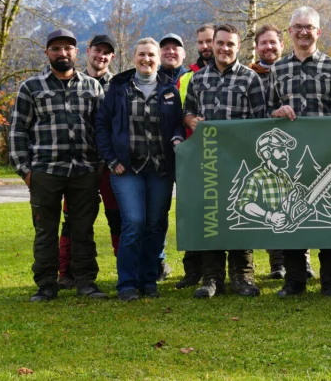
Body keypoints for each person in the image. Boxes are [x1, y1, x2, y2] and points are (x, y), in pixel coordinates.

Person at [9, 29, 107, 301]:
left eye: (67, 48)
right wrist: (25, 171)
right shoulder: (31, 87)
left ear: (76, 52)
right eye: (56, 49)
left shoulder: (92, 87)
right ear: (47, 53)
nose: (62, 53)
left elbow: (102, 129)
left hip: (85, 171)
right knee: (45, 232)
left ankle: (86, 282)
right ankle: (46, 285)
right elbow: (17, 130)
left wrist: (100, 166)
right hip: (45, 171)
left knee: (83, 230)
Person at [268, 6, 331, 299]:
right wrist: (275, 112)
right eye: (298, 27)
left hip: (326, 156)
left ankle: (330, 282)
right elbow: (266, 112)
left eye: (309, 27)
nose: (304, 32)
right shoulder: (278, 69)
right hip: (289, 158)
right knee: (292, 215)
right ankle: (294, 281)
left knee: (328, 217)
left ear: (318, 32)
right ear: (290, 31)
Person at [95, 37, 185, 301]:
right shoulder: (119, 87)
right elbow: (102, 125)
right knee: (134, 223)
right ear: (134, 57)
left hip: (160, 169)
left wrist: (177, 137)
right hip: (127, 169)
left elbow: (177, 123)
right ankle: (127, 284)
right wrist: (111, 160)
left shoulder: (170, 90)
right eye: (142, 54)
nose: (147, 59)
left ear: (158, 59)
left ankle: (148, 281)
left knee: (155, 225)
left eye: (151, 55)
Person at [184, 24, 267, 298]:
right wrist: (191, 120)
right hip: (208, 161)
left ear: (238, 47)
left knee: (242, 214)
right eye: (220, 43)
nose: (224, 48)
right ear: (213, 44)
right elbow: (188, 111)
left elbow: (260, 121)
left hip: (242, 161)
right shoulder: (198, 79)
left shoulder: (250, 79)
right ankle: (212, 278)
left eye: (230, 44)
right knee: (212, 217)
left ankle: (242, 277)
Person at [249, 23, 317, 282]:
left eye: (272, 42)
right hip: (267, 147)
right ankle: (278, 262)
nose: (268, 47)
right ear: (257, 47)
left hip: (299, 146)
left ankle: (304, 259)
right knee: (273, 203)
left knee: (297, 203)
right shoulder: (251, 75)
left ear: (281, 44)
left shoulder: (292, 68)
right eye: (263, 43)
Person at [56, 34, 121, 290]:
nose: (101, 56)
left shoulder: (120, 85)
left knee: (117, 217)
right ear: (88, 51)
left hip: (110, 164)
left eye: (106, 52)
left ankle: (125, 269)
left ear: (112, 56)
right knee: (73, 219)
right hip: (79, 164)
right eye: (97, 50)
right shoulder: (73, 82)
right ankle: (66, 272)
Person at [174, 23, 216, 290]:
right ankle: (192, 271)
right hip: (193, 156)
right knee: (194, 213)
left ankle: (229, 272)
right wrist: (188, 122)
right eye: (200, 42)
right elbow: (179, 115)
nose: (205, 46)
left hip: (225, 155)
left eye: (209, 41)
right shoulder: (187, 77)